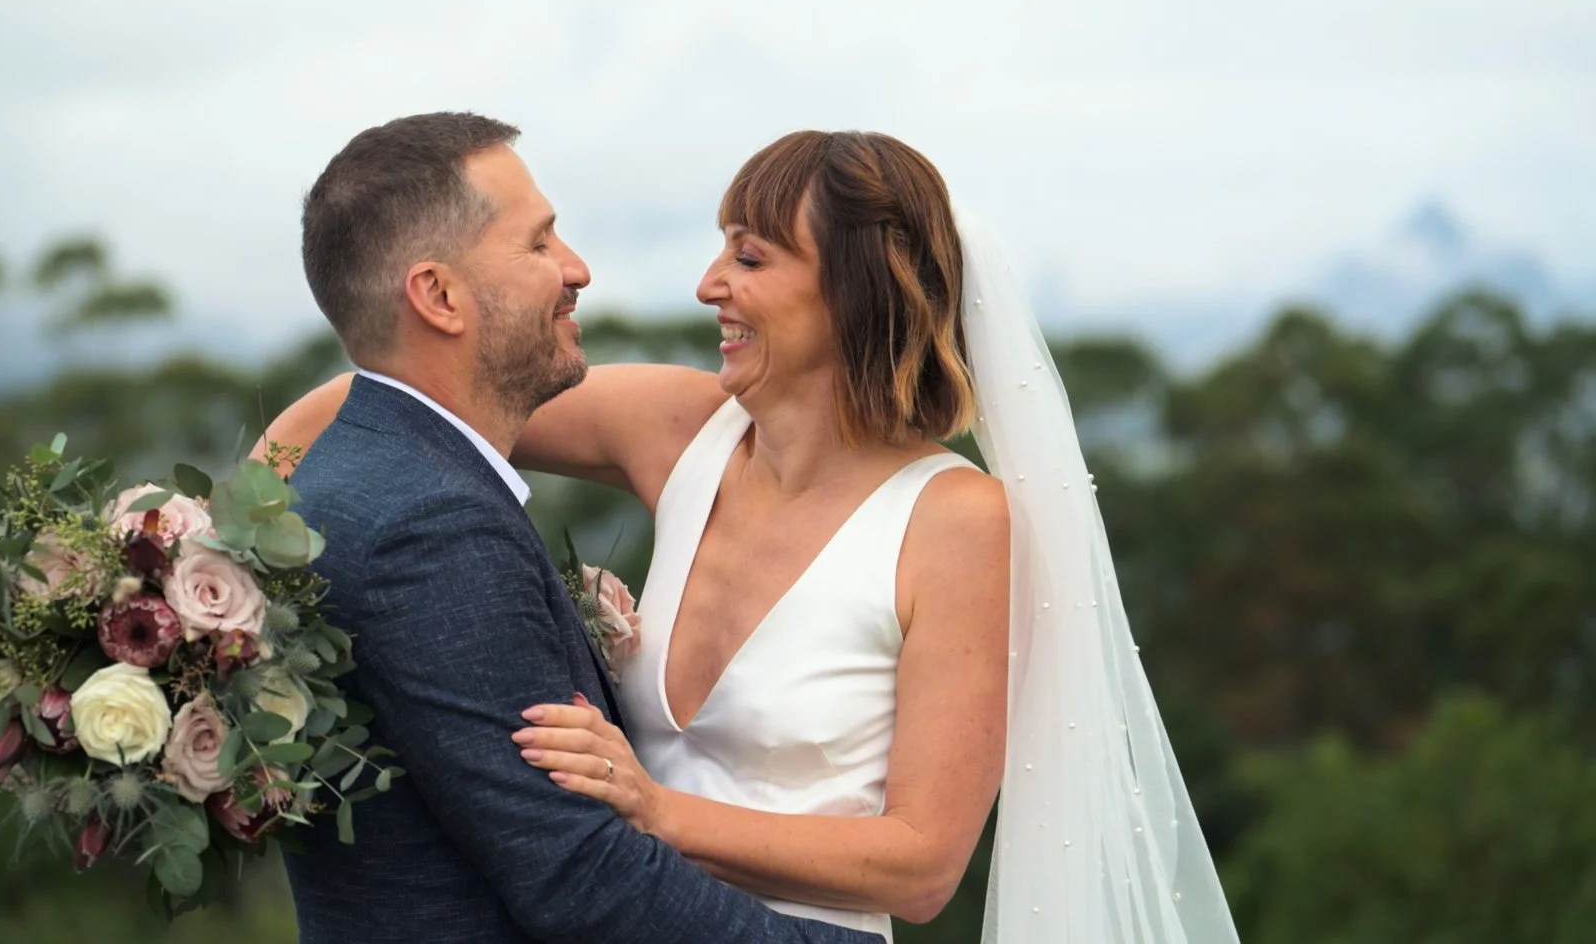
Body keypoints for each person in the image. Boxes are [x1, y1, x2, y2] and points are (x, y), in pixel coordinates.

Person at [270, 127, 1240, 943]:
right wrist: (208, 563)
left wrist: (658, 814)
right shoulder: (675, 426)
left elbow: (922, 866)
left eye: (750, 256)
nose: (707, 286)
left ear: (854, 292)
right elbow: (397, 404)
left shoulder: (954, 520)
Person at [271, 112, 881, 944]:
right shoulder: (432, 526)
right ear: (439, 296)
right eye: (539, 244)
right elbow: (585, 880)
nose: (576, 269)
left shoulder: (360, 473)